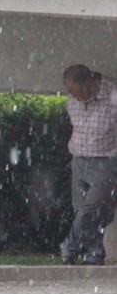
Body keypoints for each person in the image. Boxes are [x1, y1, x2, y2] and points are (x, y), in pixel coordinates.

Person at [59, 64, 117, 266]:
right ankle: (94, 252)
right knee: (82, 209)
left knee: (92, 208)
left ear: (91, 83)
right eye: (71, 93)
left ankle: (71, 245)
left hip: (106, 160)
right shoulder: (73, 101)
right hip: (79, 158)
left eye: (78, 92)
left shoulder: (113, 97)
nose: (75, 97)